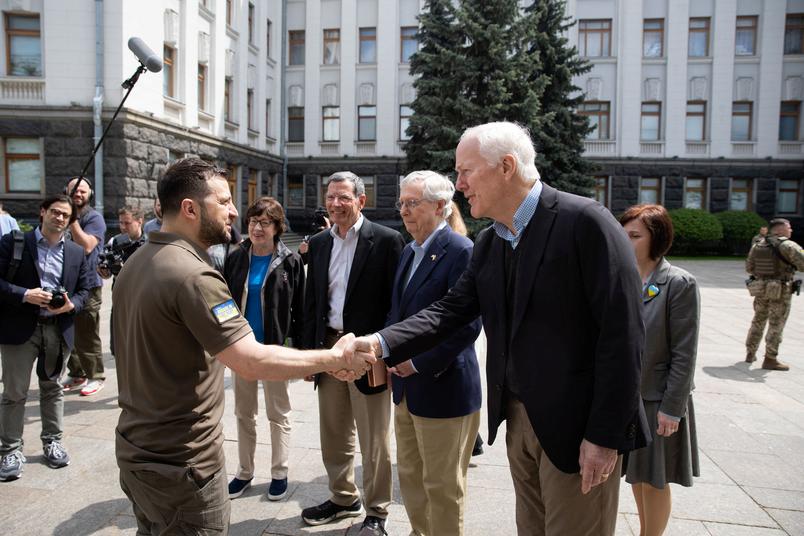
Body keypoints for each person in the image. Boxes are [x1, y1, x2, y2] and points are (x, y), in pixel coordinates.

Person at [347, 121, 649, 536]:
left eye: (465, 171)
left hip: (578, 430)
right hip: (519, 423)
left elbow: (624, 338)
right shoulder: (492, 242)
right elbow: (449, 311)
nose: (459, 184)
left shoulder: (585, 223)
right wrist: (378, 343)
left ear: (506, 166)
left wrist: (604, 436)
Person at [112, 158, 374, 534]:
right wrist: (332, 357)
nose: (235, 211)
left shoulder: (137, 261)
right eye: (224, 201)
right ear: (190, 208)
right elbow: (249, 360)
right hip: (183, 464)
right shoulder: (193, 274)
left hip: (137, 452)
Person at [300, 171, 405, 536]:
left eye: (344, 197)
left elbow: (397, 304)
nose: (335, 204)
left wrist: (385, 350)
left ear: (361, 200)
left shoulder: (388, 241)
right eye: (330, 197)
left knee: (373, 438)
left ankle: (377, 511)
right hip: (329, 349)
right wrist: (311, 356)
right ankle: (344, 497)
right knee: (333, 432)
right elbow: (312, 301)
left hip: (368, 352)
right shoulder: (317, 243)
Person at [388, 171, 482, 535]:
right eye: (402, 203)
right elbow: (398, 314)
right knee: (410, 476)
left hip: (443, 388)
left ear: (441, 206)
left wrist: (417, 363)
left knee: (442, 486)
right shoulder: (409, 250)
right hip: (405, 389)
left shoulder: (461, 251)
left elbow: (468, 324)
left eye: (413, 203)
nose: (404, 212)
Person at [620, 204, 701, 536]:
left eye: (635, 236)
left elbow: (684, 353)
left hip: (658, 401)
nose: (626, 241)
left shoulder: (678, 283)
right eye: (623, 234)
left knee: (654, 479)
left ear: (658, 239)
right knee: (638, 476)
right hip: (628, 397)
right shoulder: (622, 277)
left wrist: (672, 408)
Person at [0, 195, 92, 481]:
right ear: (43, 212)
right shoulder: (14, 243)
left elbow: (86, 289)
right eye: (55, 212)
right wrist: (25, 295)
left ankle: (52, 441)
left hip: (57, 328)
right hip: (19, 329)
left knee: (52, 387)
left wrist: (70, 305)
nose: (60, 218)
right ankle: (10, 449)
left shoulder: (77, 252)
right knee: (15, 392)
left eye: (66, 215)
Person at [224, 196, 305, 502]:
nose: (257, 228)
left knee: (278, 413)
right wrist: (224, 337)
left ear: (277, 227)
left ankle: (279, 473)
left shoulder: (290, 260)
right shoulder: (236, 257)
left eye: (265, 222)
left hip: (273, 350)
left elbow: (299, 309)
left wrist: (298, 352)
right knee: (244, 413)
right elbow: (224, 302)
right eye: (253, 222)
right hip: (242, 349)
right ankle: (244, 472)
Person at [446, 201, 486, 458]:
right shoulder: (415, 249)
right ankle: (474, 440)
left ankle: (473, 439)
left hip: (457, 336)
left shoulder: (462, 248)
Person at [61, 177, 107, 397]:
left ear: (90, 195)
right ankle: (76, 372)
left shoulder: (94, 217)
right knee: (68, 330)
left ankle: (95, 376)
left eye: (82, 191)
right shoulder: (60, 213)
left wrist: (72, 220)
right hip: (64, 283)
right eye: (74, 191)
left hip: (88, 285)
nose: (78, 194)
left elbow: (87, 245)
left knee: (87, 333)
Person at [745, 218, 804, 371]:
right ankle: (770, 358)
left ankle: (750, 353)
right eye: (788, 227)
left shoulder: (758, 244)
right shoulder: (788, 245)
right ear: (779, 230)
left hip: (761, 288)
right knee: (776, 323)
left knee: (758, 320)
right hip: (780, 290)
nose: (791, 230)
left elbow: (749, 268)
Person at [98, 207, 146, 357]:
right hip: (120, 301)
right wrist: (104, 271)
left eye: (127, 223)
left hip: (143, 304)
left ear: (140, 222)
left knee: (141, 349)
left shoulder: (150, 244)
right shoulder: (115, 241)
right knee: (118, 349)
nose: (123, 227)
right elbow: (107, 275)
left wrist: (126, 271)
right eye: (120, 223)